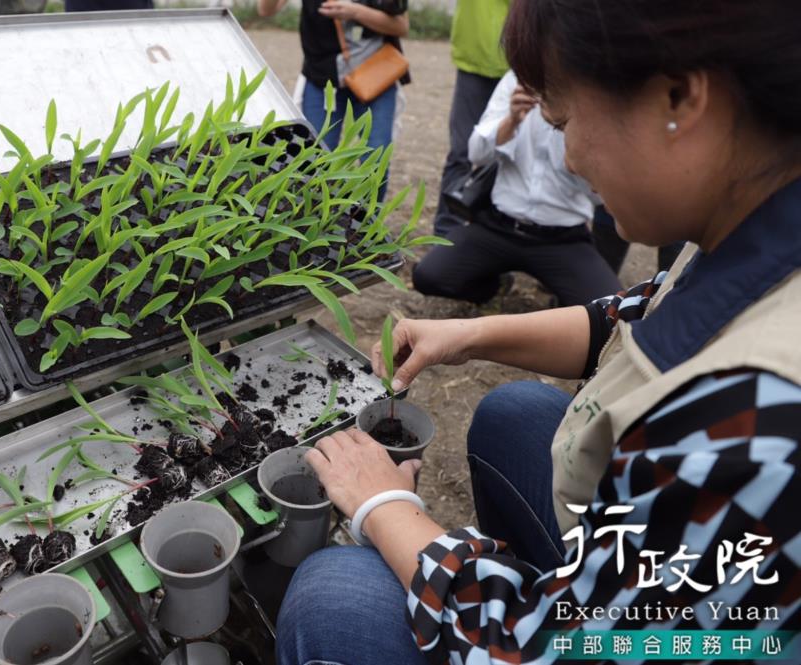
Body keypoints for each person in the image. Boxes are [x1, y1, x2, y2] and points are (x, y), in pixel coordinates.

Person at [277, 1, 801, 663]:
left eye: (569, 119)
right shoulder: (755, 234)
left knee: (334, 589)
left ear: (679, 96)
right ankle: (552, 576)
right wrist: (464, 338)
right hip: (642, 582)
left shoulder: (757, 425)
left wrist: (381, 504)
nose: (572, 156)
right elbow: (628, 315)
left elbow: (558, 649)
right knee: (516, 410)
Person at [413, 70, 621, 307]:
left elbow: (596, 194)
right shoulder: (517, 80)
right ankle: (495, 287)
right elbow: (476, 153)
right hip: (497, 225)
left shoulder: (593, 92)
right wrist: (511, 121)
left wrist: (563, 125)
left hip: (562, 236)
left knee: (609, 308)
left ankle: (561, 308)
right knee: (428, 275)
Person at [258, 0, 409, 183]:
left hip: (376, 77)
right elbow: (266, 10)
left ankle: (369, 212)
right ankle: (319, 211)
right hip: (321, 77)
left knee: (376, 159)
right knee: (315, 159)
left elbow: (401, 26)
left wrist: (355, 12)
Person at [433, 0, 510, 238]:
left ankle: (492, 239)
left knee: (507, 158)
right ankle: (447, 235)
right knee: (461, 152)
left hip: (517, 66)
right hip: (473, 61)